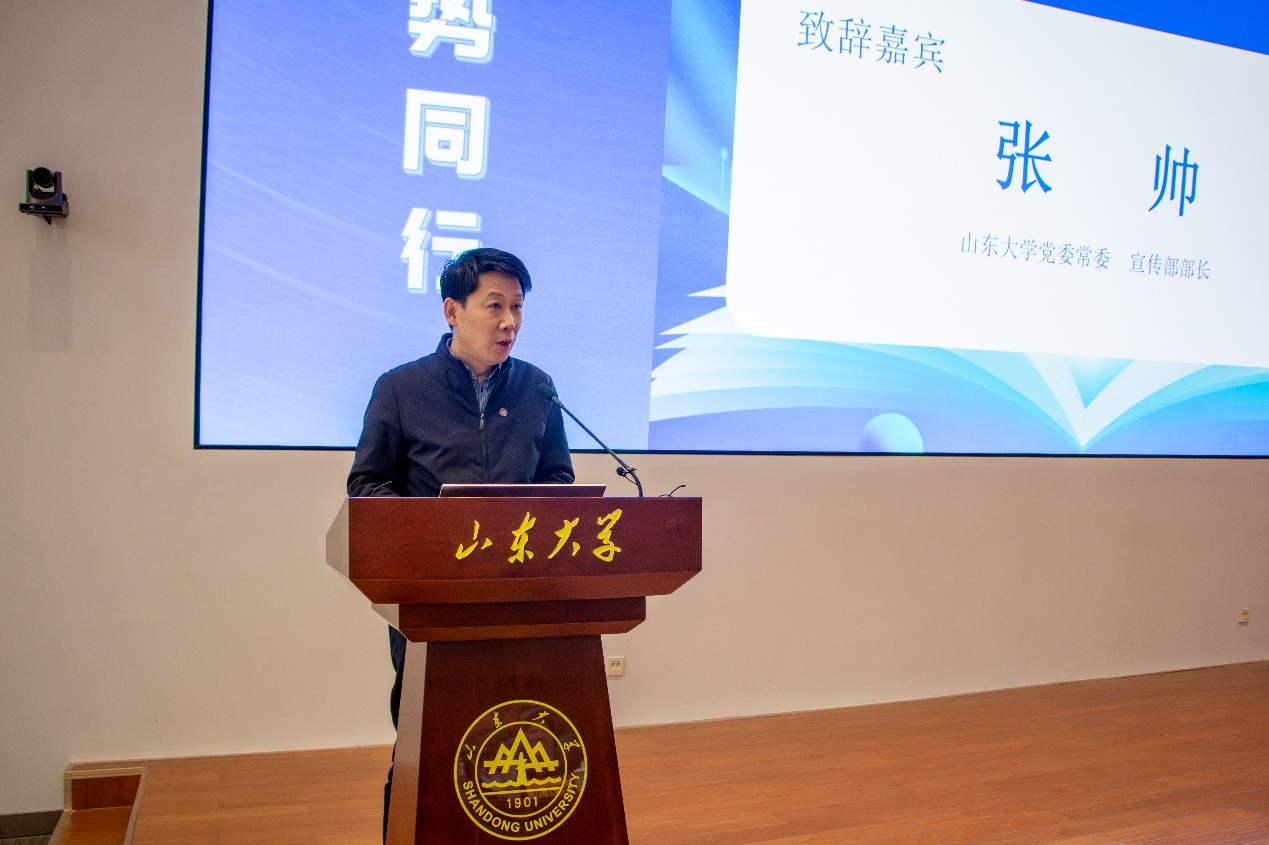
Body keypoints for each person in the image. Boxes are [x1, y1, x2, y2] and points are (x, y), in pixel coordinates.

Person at [346, 247, 574, 839]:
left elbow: (557, 477)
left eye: (518, 308)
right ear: (452, 311)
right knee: (426, 736)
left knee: (517, 729)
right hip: (431, 595)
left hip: (519, 591)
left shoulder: (538, 387)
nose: (509, 322)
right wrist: (433, 530)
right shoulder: (401, 388)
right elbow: (367, 484)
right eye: (494, 306)